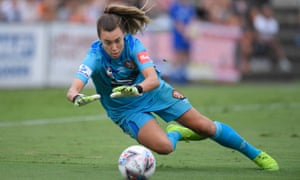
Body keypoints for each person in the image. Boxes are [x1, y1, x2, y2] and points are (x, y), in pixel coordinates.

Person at [66, 3, 279, 171]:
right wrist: (76, 95)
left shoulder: (133, 45)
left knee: (205, 127)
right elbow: (76, 83)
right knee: (165, 147)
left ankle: (256, 154)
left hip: (154, 93)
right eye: (107, 42)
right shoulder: (94, 55)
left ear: (124, 35)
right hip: (124, 110)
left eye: (117, 40)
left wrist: (137, 89)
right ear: (99, 39)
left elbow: (153, 79)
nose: (113, 47)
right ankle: (176, 133)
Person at [168, 0, 196, 83]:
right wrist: (184, 32)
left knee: (186, 54)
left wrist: (190, 32)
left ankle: (183, 74)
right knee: (178, 54)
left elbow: (192, 19)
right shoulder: (175, 6)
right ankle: (175, 75)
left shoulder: (190, 7)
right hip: (178, 35)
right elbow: (176, 22)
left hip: (187, 35)